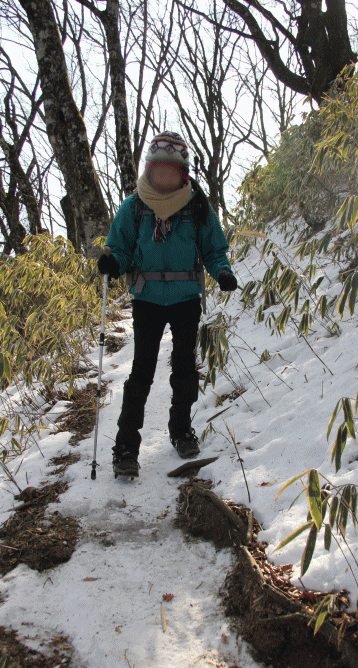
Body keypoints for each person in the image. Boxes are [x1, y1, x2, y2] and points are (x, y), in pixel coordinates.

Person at [97, 131, 237, 478]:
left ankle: (181, 430)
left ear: (183, 174)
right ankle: (126, 447)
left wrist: (222, 272)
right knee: (141, 373)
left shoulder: (198, 207)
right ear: (148, 169)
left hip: (186, 298)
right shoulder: (133, 207)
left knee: (185, 369)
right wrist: (113, 262)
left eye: (170, 172)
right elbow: (121, 246)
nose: (163, 178)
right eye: (158, 171)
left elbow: (213, 249)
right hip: (146, 299)